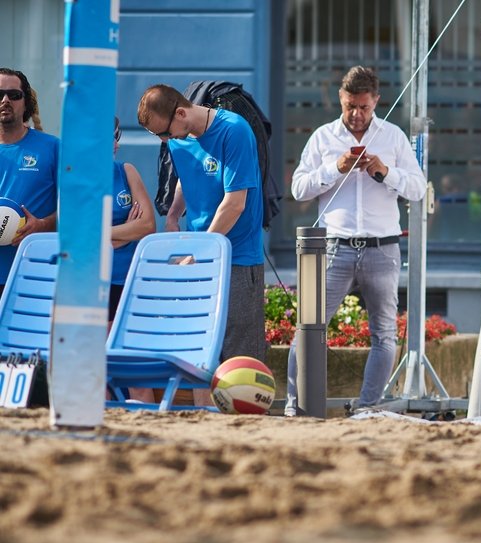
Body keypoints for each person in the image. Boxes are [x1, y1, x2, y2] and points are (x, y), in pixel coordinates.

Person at [285, 66, 426, 415]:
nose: (356, 115)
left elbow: (419, 188)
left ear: (376, 100)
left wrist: (384, 171)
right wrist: (336, 168)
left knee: (384, 335)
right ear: (340, 99)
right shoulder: (322, 137)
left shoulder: (392, 137)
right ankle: (295, 406)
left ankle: (367, 409)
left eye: (363, 107)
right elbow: (298, 188)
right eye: (350, 106)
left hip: (383, 248)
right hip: (335, 246)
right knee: (308, 326)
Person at [137, 84, 266, 404]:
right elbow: (187, 174)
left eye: (165, 133)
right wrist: (173, 215)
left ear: (181, 112)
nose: (165, 141)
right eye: (158, 137)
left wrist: (199, 252)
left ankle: (245, 431)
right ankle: (202, 421)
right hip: (197, 255)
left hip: (236, 257)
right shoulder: (180, 138)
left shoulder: (234, 131)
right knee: (197, 351)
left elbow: (234, 204)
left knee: (239, 358)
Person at [0, 67, 58, 295]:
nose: (5, 100)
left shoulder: (53, 148)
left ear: (26, 103)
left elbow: (76, 208)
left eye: (13, 95)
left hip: (36, 271)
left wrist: (43, 225)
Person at [109, 116, 156, 323]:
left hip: (129, 279)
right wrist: (128, 230)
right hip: (91, 283)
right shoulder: (74, 180)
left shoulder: (126, 171)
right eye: (110, 138)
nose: (116, 144)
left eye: (117, 136)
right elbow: (78, 238)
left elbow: (147, 225)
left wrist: (102, 234)